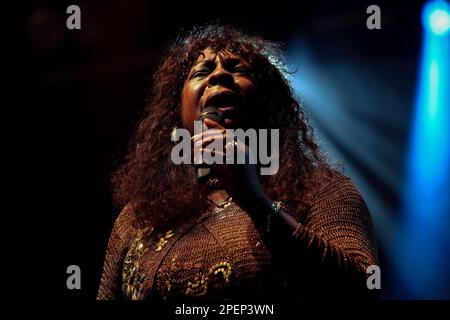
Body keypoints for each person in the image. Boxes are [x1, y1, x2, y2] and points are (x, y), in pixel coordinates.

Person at [97, 24, 379, 301]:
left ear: (269, 103)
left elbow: (361, 289)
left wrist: (254, 201)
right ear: (176, 111)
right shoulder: (139, 217)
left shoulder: (321, 189)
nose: (220, 76)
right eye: (202, 72)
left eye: (238, 69)